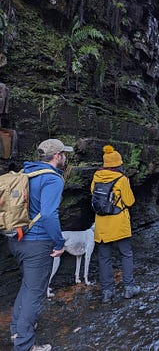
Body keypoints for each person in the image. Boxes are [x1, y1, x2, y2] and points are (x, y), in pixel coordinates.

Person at [9, 138, 73, 351]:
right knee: (35, 294)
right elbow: (48, 214)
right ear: (57, 156)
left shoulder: (26, 172)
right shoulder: (53, 179)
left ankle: (16, 332)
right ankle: (25, 345)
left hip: (17, 239)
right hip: (37, 243)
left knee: (27, 287)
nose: (65, 157)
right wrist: (59, 242)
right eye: (63, 154)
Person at [91, 145, 140, 303]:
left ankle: (107, 292)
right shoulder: (121, 179)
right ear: (118, 163)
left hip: (101, 223)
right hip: (119, 222)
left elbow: (94, 195)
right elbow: (130, 201)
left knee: (104, 257)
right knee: (126, 254)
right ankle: (129, 287)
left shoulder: (96, 177)